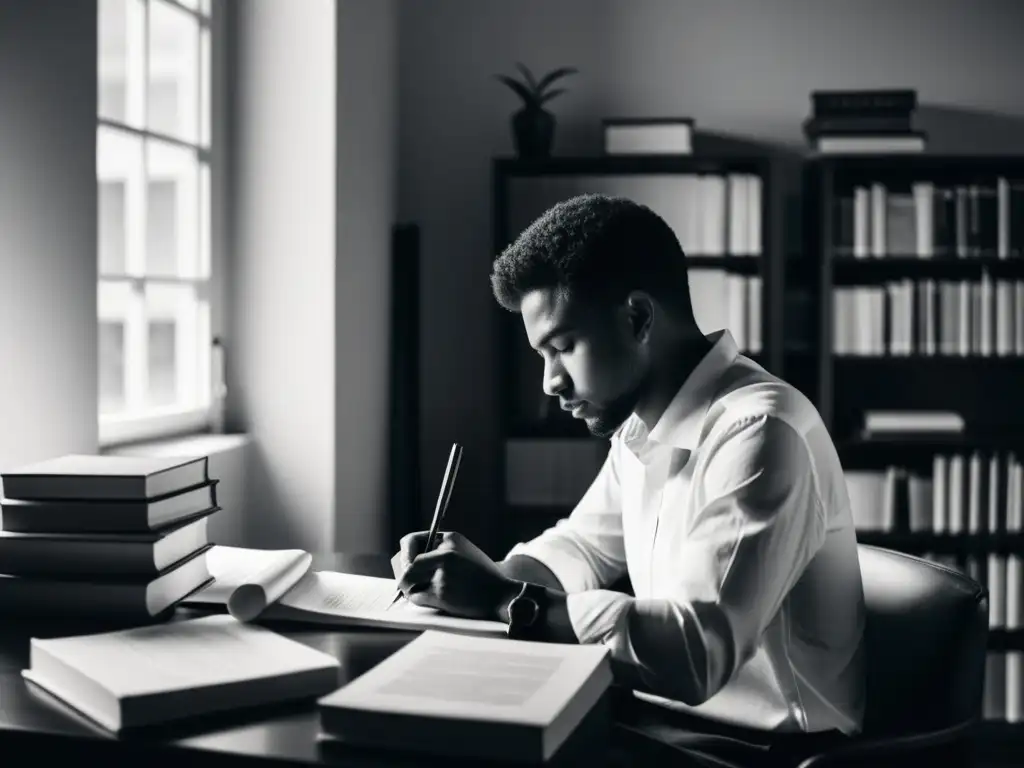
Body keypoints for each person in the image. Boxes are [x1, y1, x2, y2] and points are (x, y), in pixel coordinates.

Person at [396, 194, 865, 767]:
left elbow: (697, 655)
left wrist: (501, 600)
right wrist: (478, 576)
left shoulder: (763, 432)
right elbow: (581, 548)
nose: (549, 382)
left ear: (638, 318)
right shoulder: (640, 426)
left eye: (563, 347)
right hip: (661, 722)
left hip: (761, 751)